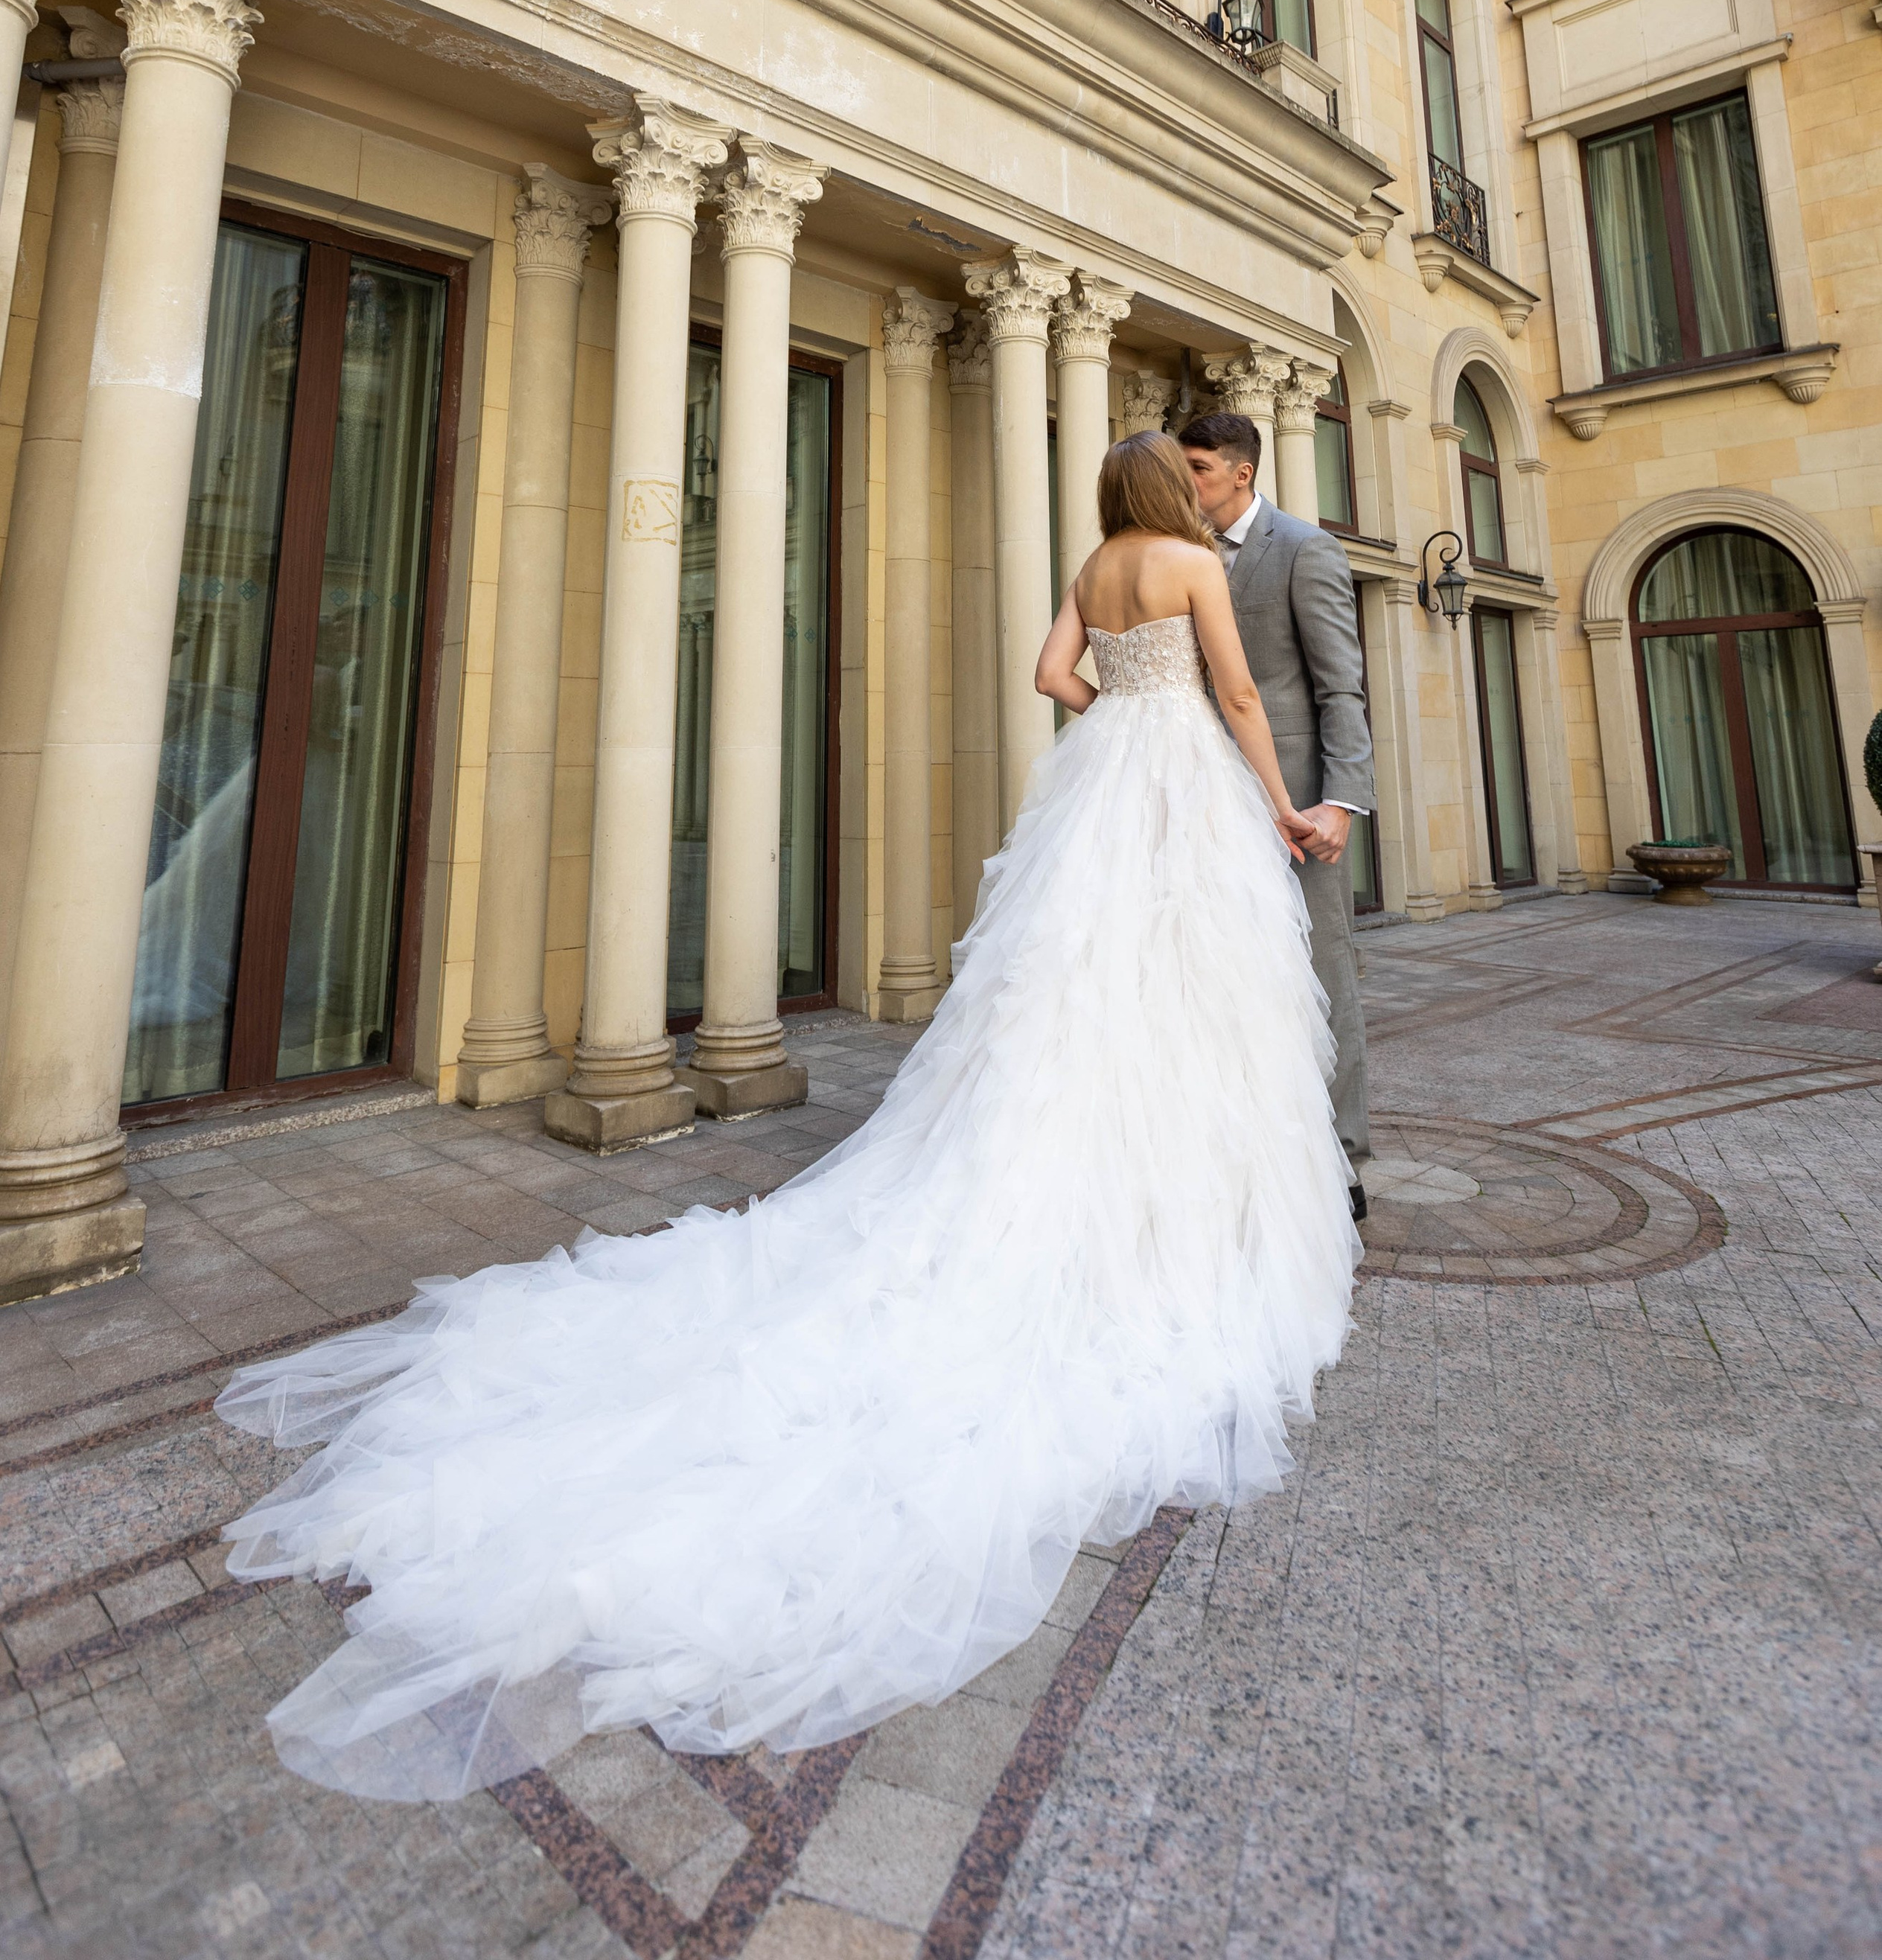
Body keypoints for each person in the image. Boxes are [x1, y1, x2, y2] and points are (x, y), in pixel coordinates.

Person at [217, 432, 1357, 1800]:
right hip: (1180, 789)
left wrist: (1120, 702)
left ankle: (1068, 1183)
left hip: (1105, 780)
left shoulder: (1098, 565)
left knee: (1065, 998)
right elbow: (1239, 689)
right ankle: (1181, 1215)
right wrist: (1274, 800)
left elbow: (1052, 676)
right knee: (1186, 995)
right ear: (1177, 491)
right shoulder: (1188, 561)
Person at [1177, 411, 1376, 1214]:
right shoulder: (1177, 552)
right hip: (1196, 792)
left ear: (1241, 472)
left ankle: (1341, 1155)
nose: (1185, 481)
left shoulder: (1303, 548)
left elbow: (1340, 685)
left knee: (1320, 968)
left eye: (1197, 467)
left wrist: (1341, 801)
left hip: (1292, 803)